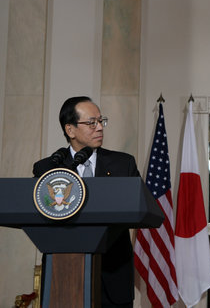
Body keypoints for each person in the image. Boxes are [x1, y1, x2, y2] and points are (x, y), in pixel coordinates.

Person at [33, 96, 139, 308]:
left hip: (113, 276)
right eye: (91, 123)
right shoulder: (47, 169)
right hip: (63, 276)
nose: (99, 127)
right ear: (70, 130)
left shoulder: (122, 164)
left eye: (101, 121)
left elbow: (138, 208)